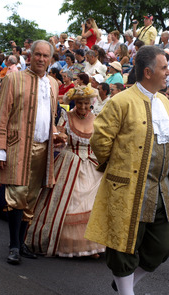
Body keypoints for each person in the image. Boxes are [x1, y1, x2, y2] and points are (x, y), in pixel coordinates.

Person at [84, 46, 169, 295]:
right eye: (163, 68)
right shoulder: (120, 102)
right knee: (124, 248)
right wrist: (118, 169)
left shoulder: (166, 103)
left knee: (161, 247)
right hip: (128, 188)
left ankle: (125, 285)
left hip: (162, 190)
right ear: (148, 72)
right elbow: (100, 142)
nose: (168, 72)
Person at [0, 40, 66, 265]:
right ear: (29, 56)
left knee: (31, 198)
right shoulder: (13, 79)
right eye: (37, 55)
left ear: (51, 59)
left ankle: (21, 242)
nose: (41, 59)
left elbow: (49, 116)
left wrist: (55, 133)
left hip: (43, 147)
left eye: (45, 56)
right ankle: (13, 245)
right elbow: (1, 114)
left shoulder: (53, 83)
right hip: (18, 146)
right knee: (16, 196)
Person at [25, 85, 105, 257]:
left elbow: (102, 142)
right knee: (68, 203)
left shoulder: (98, 119)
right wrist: (59, 138)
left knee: (93, 204)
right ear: (74, 102)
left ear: (91, 103)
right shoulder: (65, 117)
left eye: (86, 104)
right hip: (69, 162)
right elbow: (58, 138)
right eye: (80, 103)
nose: (83, 107)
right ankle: (69, 243)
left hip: (92, 164)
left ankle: (91, 245)